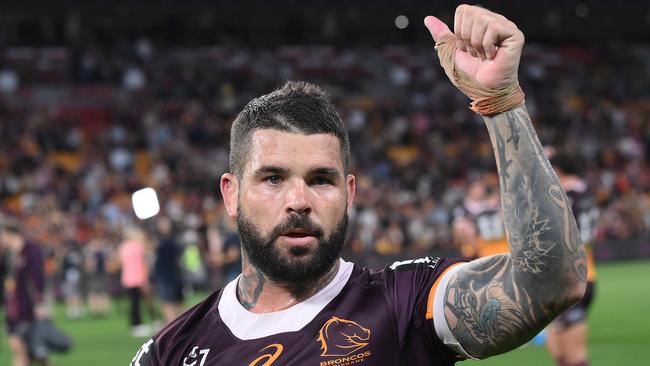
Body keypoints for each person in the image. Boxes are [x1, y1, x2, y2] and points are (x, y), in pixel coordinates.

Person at [131, 5, 587, 365]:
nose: (298, 201)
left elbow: (549, 283)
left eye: (321, 179)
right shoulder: (171, 351)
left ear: (349, 193)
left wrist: (500, 102)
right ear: (230, 194)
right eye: (273, 178)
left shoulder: (404, 304)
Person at [546, 154, 598, 366]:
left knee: (574, 357)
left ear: (557, 169)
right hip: (583, 272)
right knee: (559, 349)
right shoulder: (586, 192)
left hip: (569, 277)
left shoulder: (566, 194)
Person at [0, 218, 47, 366]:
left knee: (37, 354)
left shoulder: (31, 250)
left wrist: (39, 302)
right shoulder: (6, 255)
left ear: (10, 234)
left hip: (29, 307)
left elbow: (37, 278)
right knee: (17, 349)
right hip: (12, 309)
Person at [452, 177, 508, 259]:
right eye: (477, 187)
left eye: (481, 187)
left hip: (497, 239)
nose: (480, 190)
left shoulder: (491, 203)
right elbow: (457, 233)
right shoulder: (462, 207)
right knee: (460, 226)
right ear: (470, 189)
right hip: (475, 243)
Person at [119, 226, 152, 337]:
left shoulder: (123, 247)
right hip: (138, 278)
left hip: (127, 278)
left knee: (134, 303)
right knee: (138, 303)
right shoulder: (138, 247)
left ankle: (135, 324)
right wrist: (145, 280)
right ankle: (138, 325)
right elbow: (142, 264)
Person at [151, 216, 185, 325]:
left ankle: (174, 326)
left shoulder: (172, 241)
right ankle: (175, 325)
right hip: (164, 275)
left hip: (172, 274)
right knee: (168, 302)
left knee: (174, 302)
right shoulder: (160, 240)